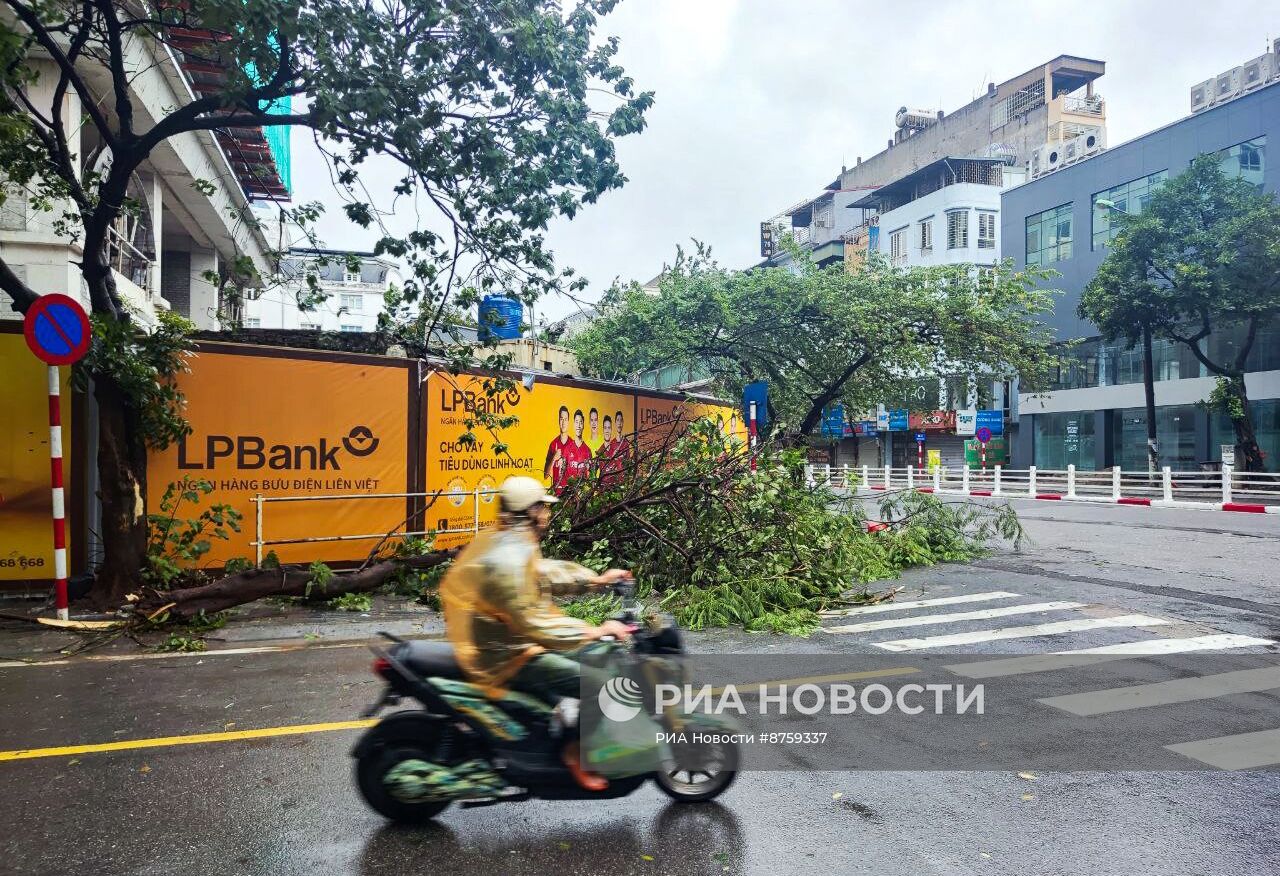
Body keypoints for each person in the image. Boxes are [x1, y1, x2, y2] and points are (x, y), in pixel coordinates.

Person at [439, 476, 632, 791]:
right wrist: (595, 631)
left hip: (512, 643)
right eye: (543, 506)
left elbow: (545, 573)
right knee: (600, 683)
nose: (548, 514)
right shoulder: (508, 559)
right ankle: (574, 753)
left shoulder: (511, 542)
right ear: (529, 512)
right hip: (509, 656)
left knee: (597, 659)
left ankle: (563, 728)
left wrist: (596, 580)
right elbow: (536, 624)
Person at [543, 405, 572, 493]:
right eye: (561, 419)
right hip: (556, 494)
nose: (563, 422)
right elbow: (546, 475)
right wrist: (554, 459)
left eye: (565, 419)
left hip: (569, 495)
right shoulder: (553, 444)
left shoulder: (573, 445)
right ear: (558, 421)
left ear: (568, 421)